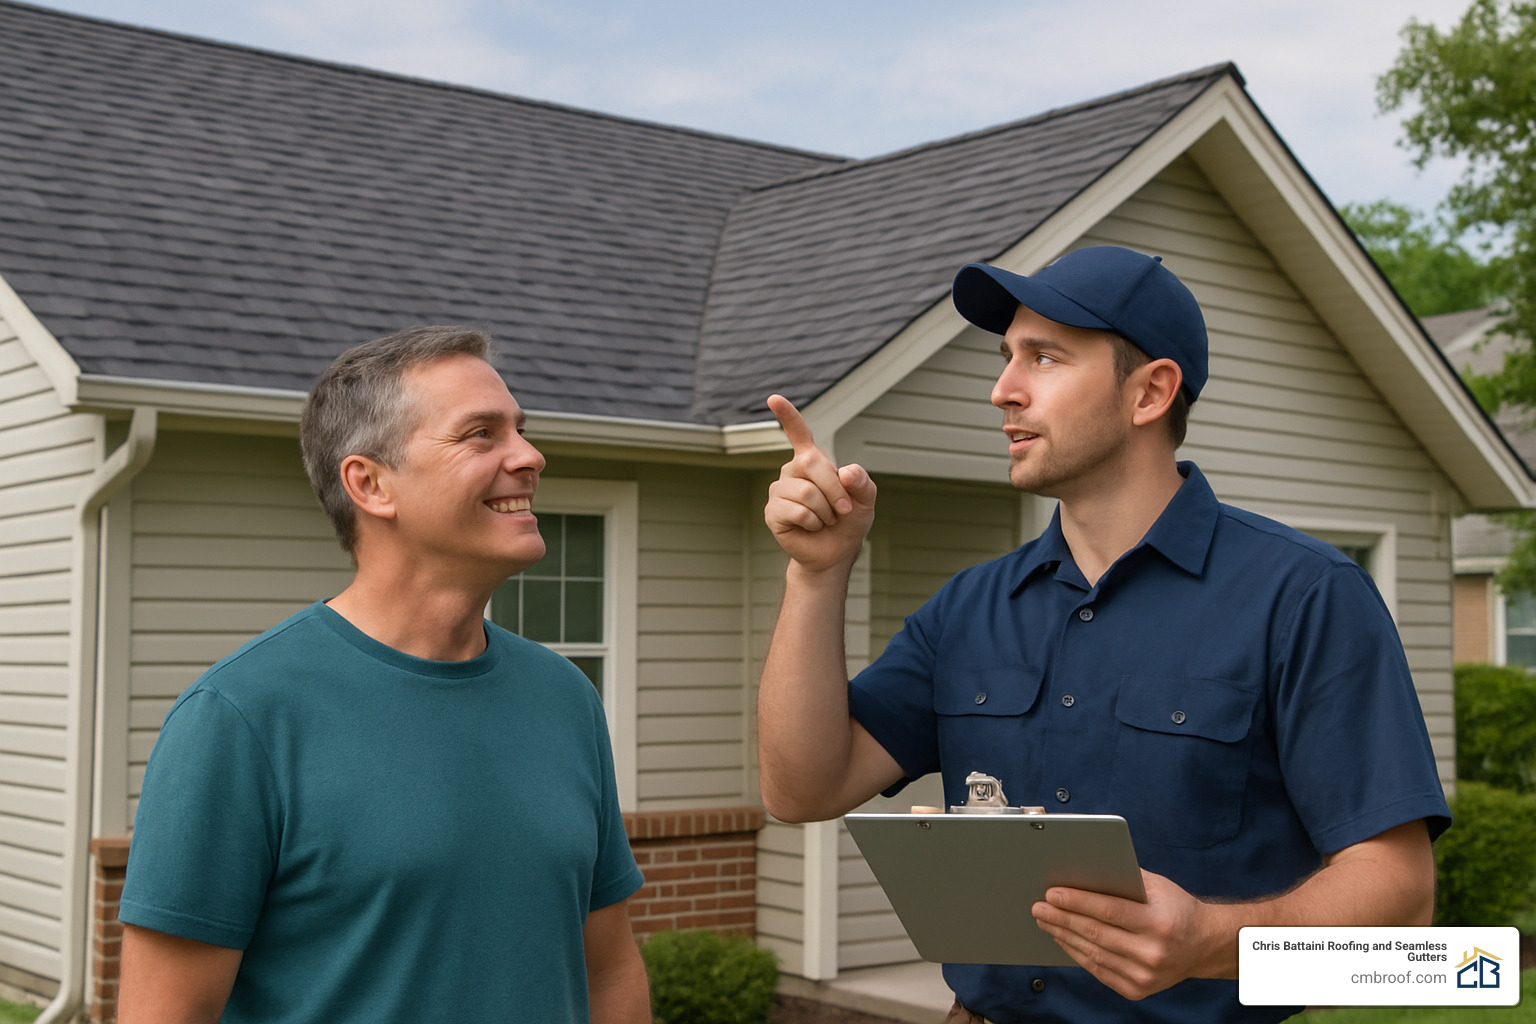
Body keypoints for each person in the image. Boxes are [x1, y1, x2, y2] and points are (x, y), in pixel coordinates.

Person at [757, 246, 1449, 1024]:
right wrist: (816, 574)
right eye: (1006, 358)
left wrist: (1210, 940)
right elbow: (802, 789)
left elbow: (1401, 900)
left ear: (1150, 392)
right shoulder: (970, 608)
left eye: (1044, 357)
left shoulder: (1305, 596)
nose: (1002, 390)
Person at [116, 326, 649, 1024]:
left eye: (521, 430)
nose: (529, 456)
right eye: (481, 435)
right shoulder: (240, 716)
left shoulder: (565, 697)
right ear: (369, 484)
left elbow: (609, 970)